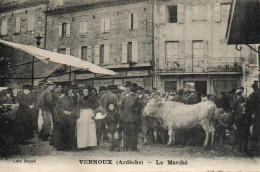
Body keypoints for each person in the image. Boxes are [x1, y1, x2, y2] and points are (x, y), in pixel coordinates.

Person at [120, 83, 144, 151]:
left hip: (125, 118)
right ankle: (133, 147)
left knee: (126, 132)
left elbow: (121, 107)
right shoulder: (137, 98)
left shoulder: (125, 98)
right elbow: (142, 106)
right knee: (134, 133)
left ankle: (126, 146)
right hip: (134, 119)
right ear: (136, 91)